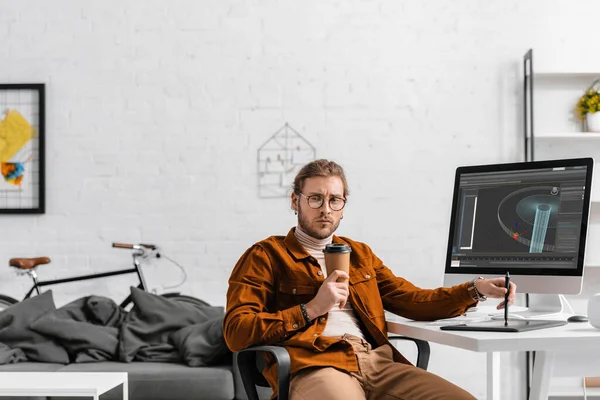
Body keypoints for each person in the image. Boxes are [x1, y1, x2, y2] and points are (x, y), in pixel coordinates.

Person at [224, 159, 517, 400]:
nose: (325, 209)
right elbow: (237, 331)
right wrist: (311, 308)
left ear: (343, 205)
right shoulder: (266, 255)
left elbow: (414, 300)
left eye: (334, 199)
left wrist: (475, 290)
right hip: (314, 364)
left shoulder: (360, 255)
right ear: (295, 201)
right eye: (315, 198)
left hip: (376, 361)